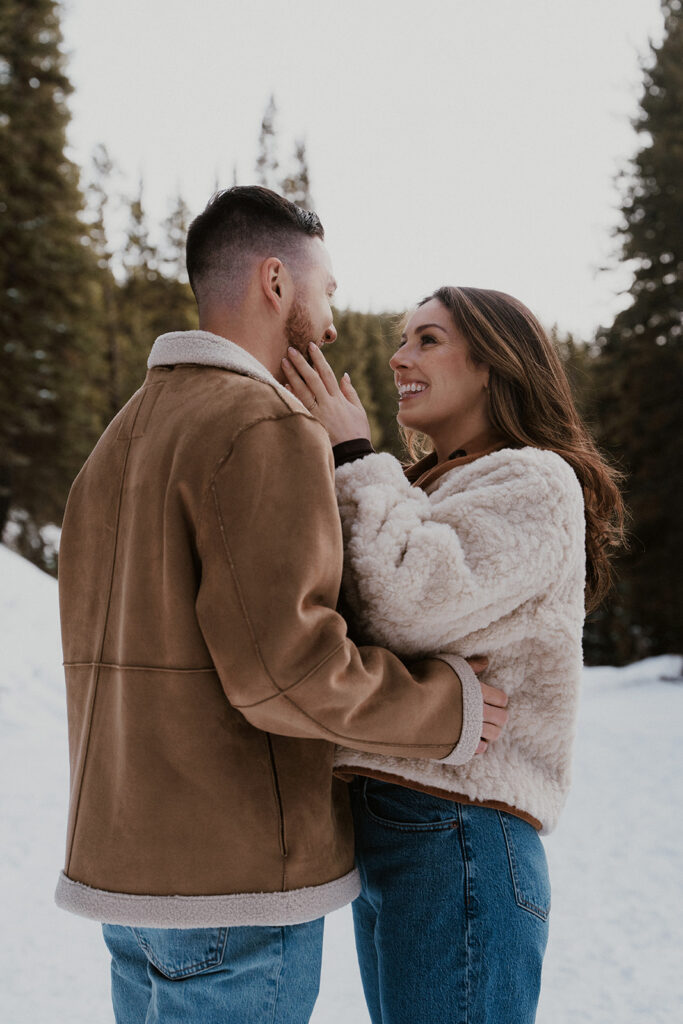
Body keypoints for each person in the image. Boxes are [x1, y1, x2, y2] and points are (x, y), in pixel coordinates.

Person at [55, 190, 510, 1024]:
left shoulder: (117, 439)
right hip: (235, 884)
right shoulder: (262, 424)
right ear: (274, 281)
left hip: (129, 880)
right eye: (326, 291)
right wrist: (449, 706)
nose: (332, 323)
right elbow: (285, 671)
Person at [282, 285, 624, 1024]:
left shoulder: (533, 477)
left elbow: (405, 604)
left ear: (493, 365)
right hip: (407, 827)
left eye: (427, 339)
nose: (399, 355)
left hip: (460, 829)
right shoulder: (428, 486)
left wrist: (350, 453)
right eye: (404, 338)